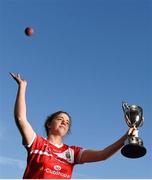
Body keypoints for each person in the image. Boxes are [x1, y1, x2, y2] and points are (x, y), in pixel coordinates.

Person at [10, 72, 137, 179]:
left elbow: (102, 155)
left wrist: (125, 139)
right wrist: (23, 86)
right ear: (49, 124)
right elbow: (21, 118)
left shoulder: (72, 152)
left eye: (67, 122)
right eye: (60, 119)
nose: (64, 122)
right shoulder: (37, 143)